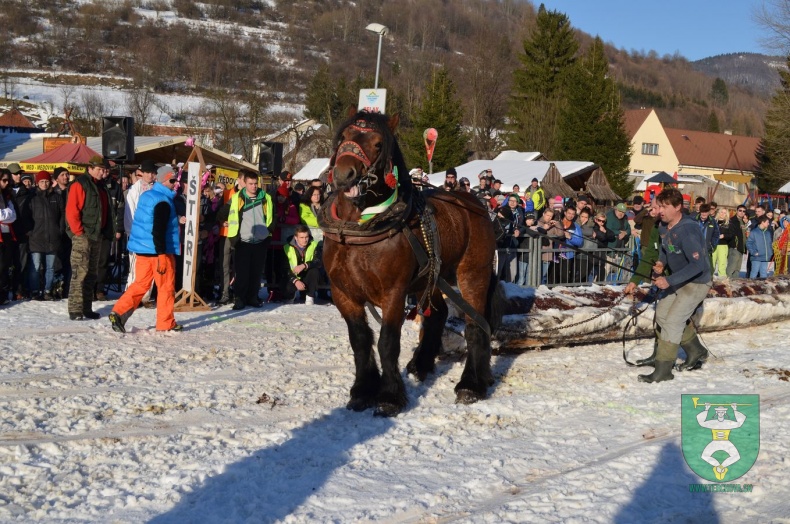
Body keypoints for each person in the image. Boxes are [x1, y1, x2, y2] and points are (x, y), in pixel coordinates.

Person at [639, 187, 712, 383]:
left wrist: (668, 280)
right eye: (660, 206)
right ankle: (696, 350)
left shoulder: (688, 230)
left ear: (678, 207)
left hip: (697, 281)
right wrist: (661, 263)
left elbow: (698, 265)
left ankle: (664, 369)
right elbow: (665, 249)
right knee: (662, 314)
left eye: (665, 207)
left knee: (673, 322)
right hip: (680, 279)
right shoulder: (664, 226)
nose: (661, 211)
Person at [109, 166, 182, 333]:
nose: (175, 184)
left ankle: (118, 312)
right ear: (163, 180)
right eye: (172, 180)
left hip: (142, 250)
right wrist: (162, 254)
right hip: (159, 252)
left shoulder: (147, 195)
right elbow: (158, 230)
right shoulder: (163, 201)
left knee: (140, 284)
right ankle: (165, 323)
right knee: (165, 287)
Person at [65, 156, 113, 320]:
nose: (102, 172)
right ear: (90, 168)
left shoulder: (101, 186)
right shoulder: (80, 184)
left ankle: (86, 308)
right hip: (83, 235)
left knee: (92, 273)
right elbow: (72, 211)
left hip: (97, 235)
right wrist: (79, 232)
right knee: (80, 273)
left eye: (103, 169)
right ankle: (75, 310)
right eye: (99, 169)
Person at [227, 171, 273, 310]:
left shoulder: (265, 197)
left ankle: (253, 297)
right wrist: (233, 237)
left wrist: (267, 233)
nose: (253, 186)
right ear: (244, 183)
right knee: (242, 273)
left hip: (260, 241)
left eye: (255, 183)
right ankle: (239, 299)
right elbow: (226, 213)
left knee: (256, 273)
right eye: (250, 184)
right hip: (243, 241)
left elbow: (272, 217)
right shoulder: (237, 198)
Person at [124, 159, 157, 306]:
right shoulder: (135, 190)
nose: (150, 175)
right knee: (135, 267)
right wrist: (131, 232)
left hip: (152, 235)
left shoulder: (156, 189)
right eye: (148, 172)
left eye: (152, 173)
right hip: (137, 234)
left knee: (150, 267)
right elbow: (129, 212)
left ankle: (145, 296)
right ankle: (131, 296)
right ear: (142, 173)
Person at [28, 171, 65, 300]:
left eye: (47, 181)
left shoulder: (57, 197)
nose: (44, 184)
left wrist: (60, 230)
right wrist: (30, 232)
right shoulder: (32, 197)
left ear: (50, 182)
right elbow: (27, 216)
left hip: (53, 237)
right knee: (35, 267)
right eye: (42, 181)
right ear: (37, 182)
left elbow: (63, 215)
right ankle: (34, 291)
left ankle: (47, 291)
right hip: (36, 237)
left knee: (50, 267)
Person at [282, 224, 323, 304]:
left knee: (314, 271)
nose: (305, 240)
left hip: (308, 275)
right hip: (293, 276)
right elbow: (284, 268)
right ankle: (291, 296)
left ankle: (310, 296)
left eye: (306, 237)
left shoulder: (314, 244)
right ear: (296, 238)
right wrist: (295, 280)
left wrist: (304, 265)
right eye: (301, 237)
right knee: (285, 283)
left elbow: (318, 261)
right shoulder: (287, 248)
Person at [0, 171, 17, 305]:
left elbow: (13, 216)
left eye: (8, 181)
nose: (7, 183)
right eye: (4, 180)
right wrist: (7, 213)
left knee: (5, 266)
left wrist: (5, 214)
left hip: (7, 234)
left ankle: (3, 295)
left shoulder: (7, 195)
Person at [724, 205, 748, 279]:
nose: (742, 212)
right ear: (737, 211)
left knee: (737, 269)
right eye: (740, 210)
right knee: (731, 267)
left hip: (741, 248)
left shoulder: (743, 222)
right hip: (735, 248)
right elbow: (730, 234)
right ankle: (726, 282)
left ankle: (734, 283)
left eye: (744, 211)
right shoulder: (732, 221)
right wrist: (734, 245)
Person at [712, 208, 730, 278]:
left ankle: (722, 278)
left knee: (722, 263)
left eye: (724, 213)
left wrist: (724, 236)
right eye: (721, 212)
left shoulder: (728, 223)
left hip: (723, 244)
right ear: (718, 213)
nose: (722, 214)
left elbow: (731, 234)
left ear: (726, 214)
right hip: (713, 244)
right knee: (712, 262)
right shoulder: (713, 222)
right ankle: (710, 277)